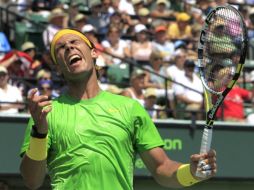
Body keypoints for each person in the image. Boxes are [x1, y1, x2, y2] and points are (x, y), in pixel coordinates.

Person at [19, 29, 216, 190]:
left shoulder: (129, 107)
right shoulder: (45, 114)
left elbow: (161, 168)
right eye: (61, 48)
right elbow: (32, 180)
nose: (69, 46)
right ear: (59, 69)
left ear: (94, 52)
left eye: (75, 42)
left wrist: (191, 173)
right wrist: (40, 133)